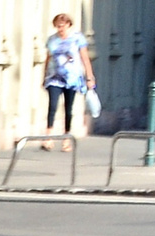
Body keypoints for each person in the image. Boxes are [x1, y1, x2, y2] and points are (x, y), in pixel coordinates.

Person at [43, 14, 94, 151]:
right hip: (54, 77)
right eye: (57, 26)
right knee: (52, 105)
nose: (60, 29)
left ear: (68, 25)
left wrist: (89, 76)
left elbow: (84, 58)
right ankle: (48, 137)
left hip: (71, 79)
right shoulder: (52, 40)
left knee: (68, 108)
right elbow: (48, 58)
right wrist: (44, 75)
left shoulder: (77, 38)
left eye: (62, 26)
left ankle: (66, 138)